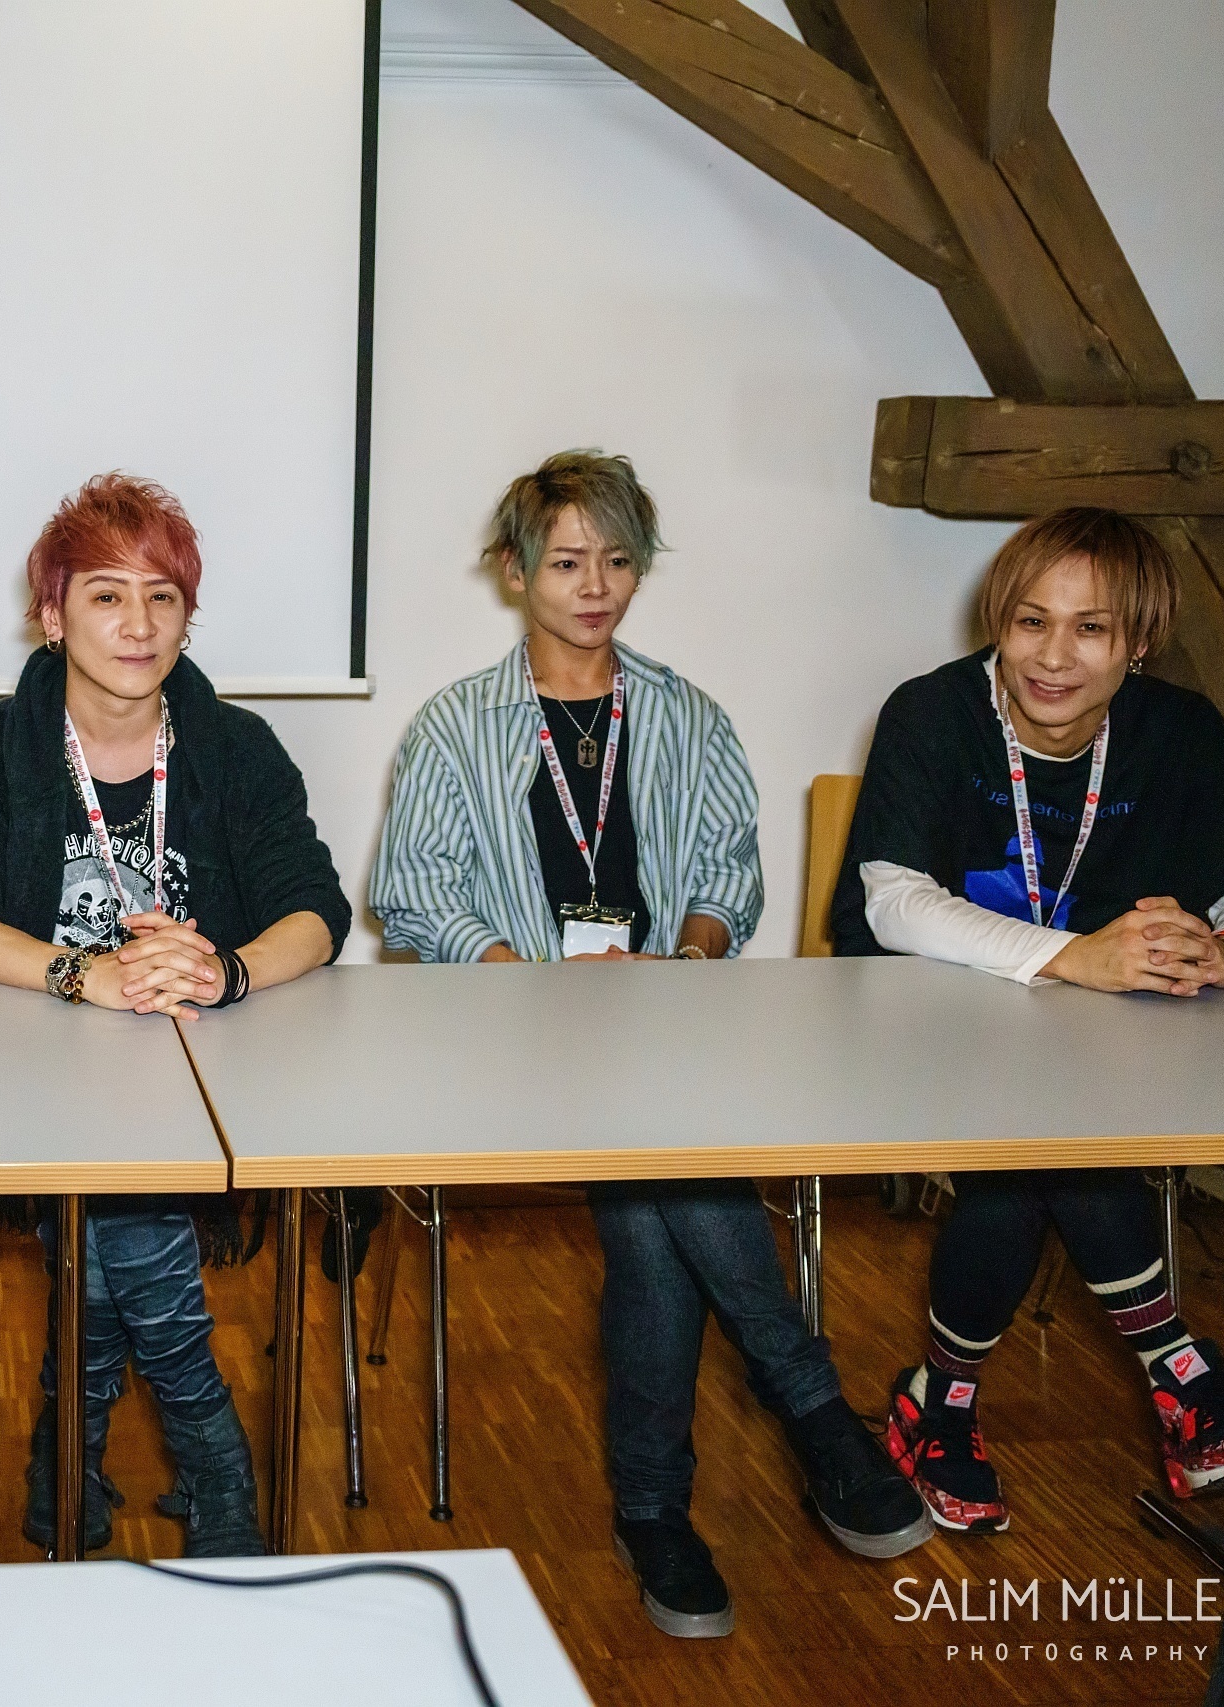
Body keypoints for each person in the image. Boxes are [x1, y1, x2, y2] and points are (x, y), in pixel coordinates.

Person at [371, 450, 931, 1639]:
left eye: (617, 561)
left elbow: (730, 877)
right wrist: (530, 982)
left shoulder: (686, 716)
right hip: (510, 1037)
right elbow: (412, 895)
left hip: (667, 1028)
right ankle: (809, 1410)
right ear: (514, 570)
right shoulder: (455, 727)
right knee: (660, 1173)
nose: (595, 587)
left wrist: (678, 965)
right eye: (567, 562)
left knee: (646, 1199)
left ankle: (653, 1512)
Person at [831, 506, 1224, 1533]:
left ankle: (938, 1404)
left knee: (1042, 1146)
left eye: (1090, 628)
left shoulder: (1180, 732)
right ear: (997, 622)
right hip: (925, 1024)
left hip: (1097, 1046)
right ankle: (1183, 1377)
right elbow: (891, 901)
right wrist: (1076, 956)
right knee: (1050, 1144)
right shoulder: (933, 712)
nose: (1052, 657)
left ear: (1138, 643)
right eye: (1030, 621)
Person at [0, 471, 347, 1558]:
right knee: (127, 1214)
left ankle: (67, 1459)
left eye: (163, 597)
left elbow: (314, 908)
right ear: (52, 615)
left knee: (116, 1225)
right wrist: (83, 975)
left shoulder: (235, 746)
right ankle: (216, 1468)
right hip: (37, 1070)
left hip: (205, 1068)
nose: (138, 624)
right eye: (106, 595)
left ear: (188, 615)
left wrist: (227, 973)